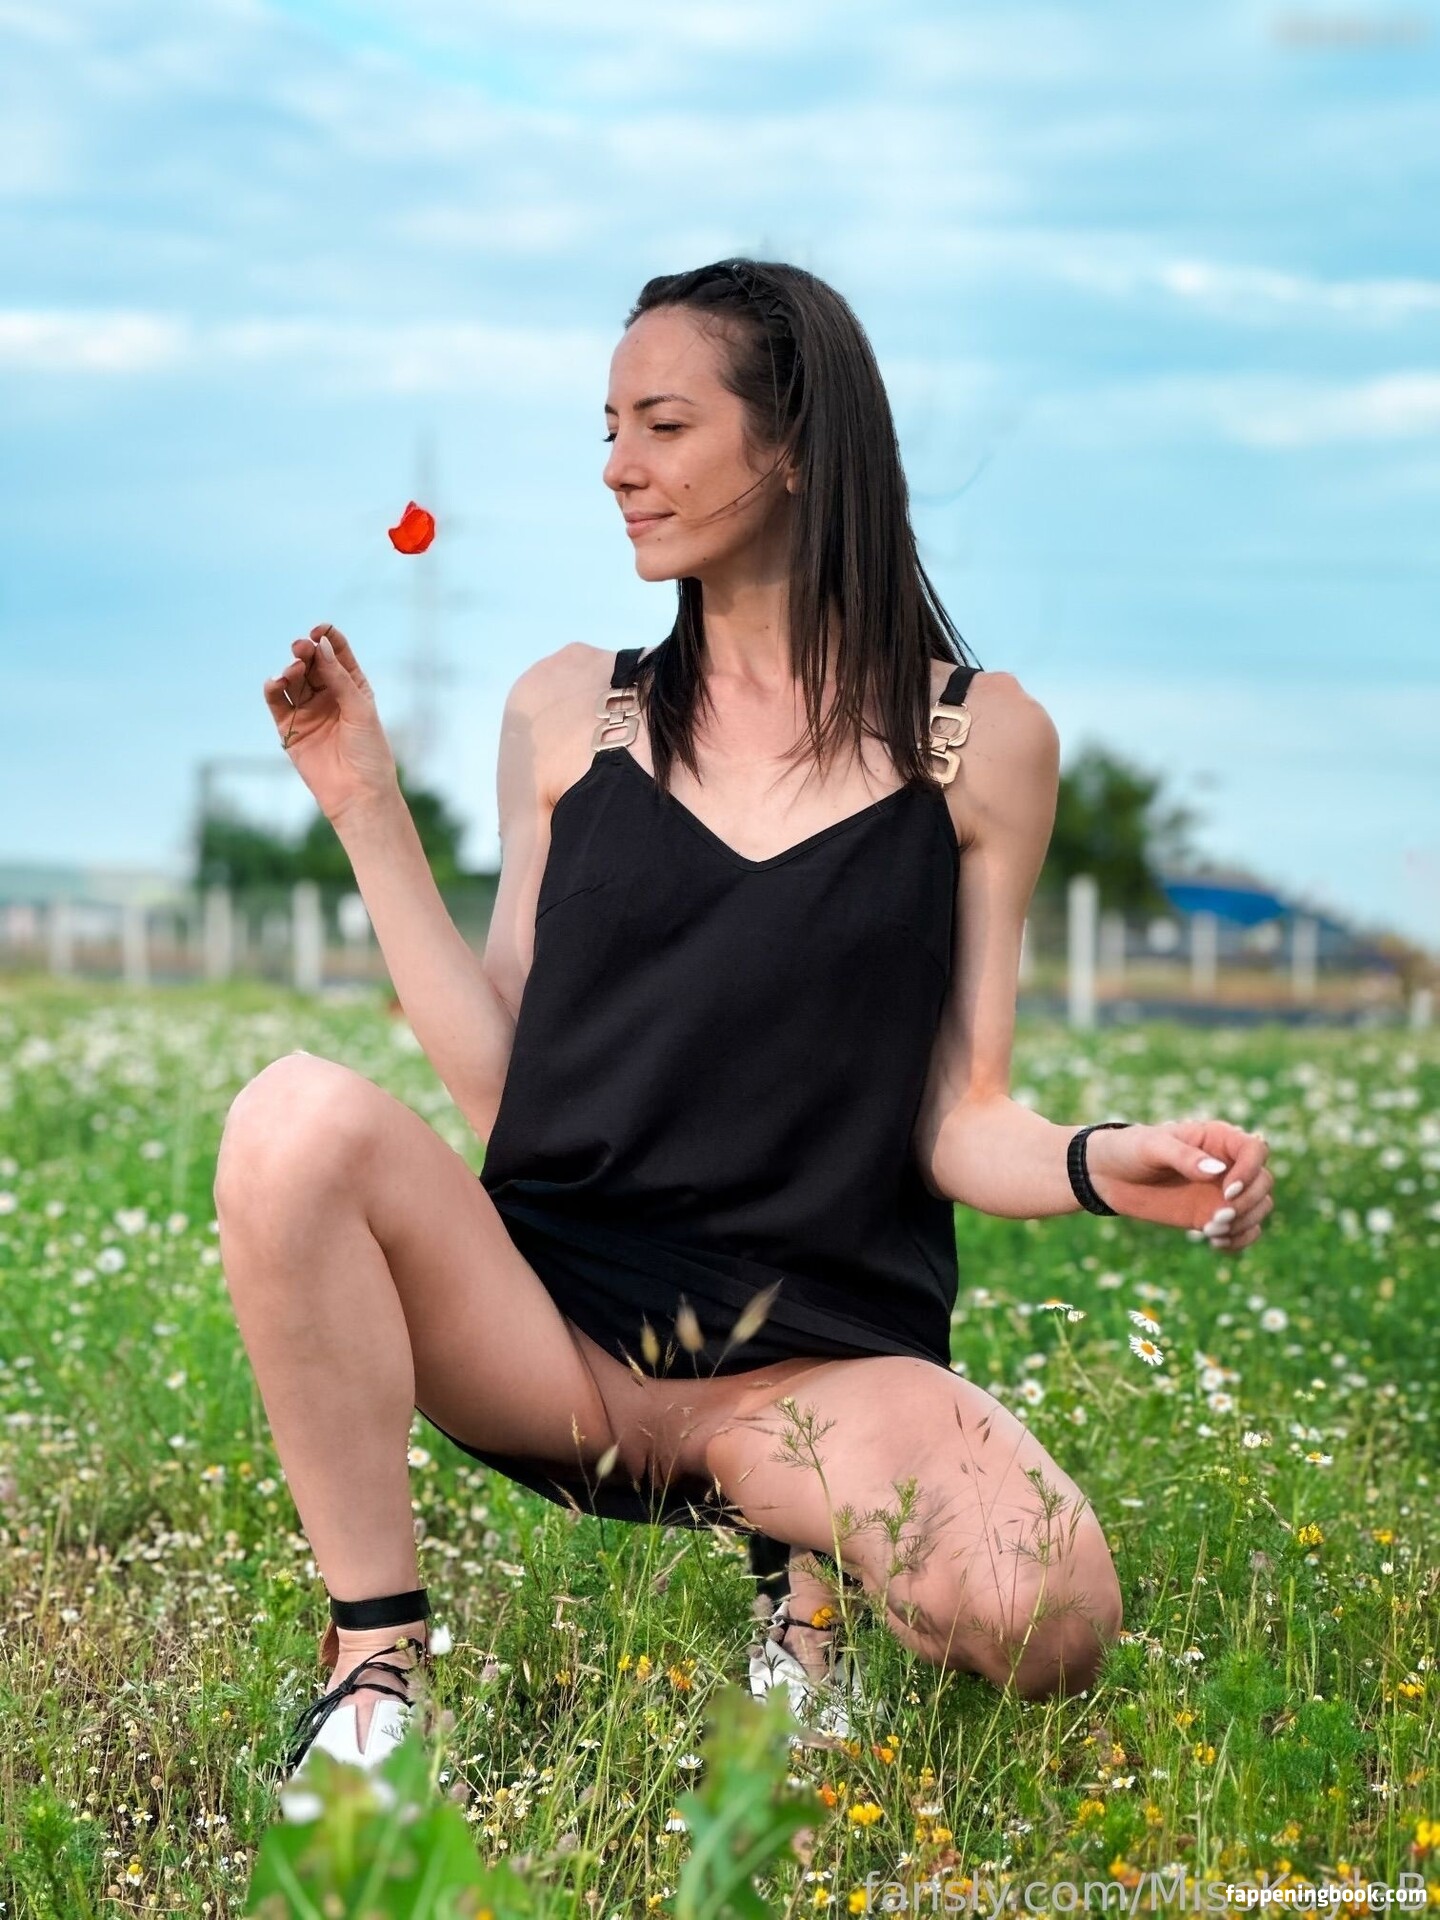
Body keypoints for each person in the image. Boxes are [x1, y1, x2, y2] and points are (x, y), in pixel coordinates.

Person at [216, 258, 1273, 1797]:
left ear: (792, 448)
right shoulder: (568, 712)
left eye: (661, 425)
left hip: (811, 1384)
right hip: (556, 1345)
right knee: (291, 1116)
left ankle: (801, 1572)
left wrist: (1101, 1163)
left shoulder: (980, 745)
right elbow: (512, 1087)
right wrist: (366, 809)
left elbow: (960, 1115)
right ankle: (375, 1669)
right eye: (608, 429)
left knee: (1047, 1617)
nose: (616, 467)